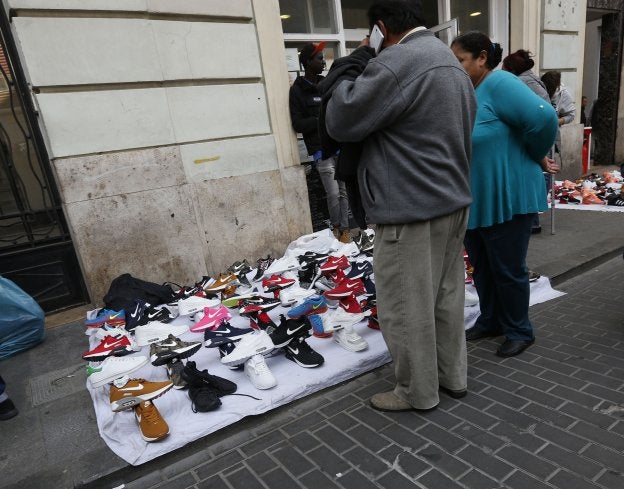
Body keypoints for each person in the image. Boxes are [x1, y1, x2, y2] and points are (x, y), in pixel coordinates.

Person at [324, 0, 476, 412]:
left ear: (379, 28)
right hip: (451, 200)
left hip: (411, 208)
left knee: (406, 307)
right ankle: (452, 377)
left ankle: (417, 391)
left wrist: (359, 59)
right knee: (445, 299)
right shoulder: (446, 58)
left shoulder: (398, 61)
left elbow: (340, 118)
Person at [451, 31, 558, 358]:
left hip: (508, 196)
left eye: (460, 61)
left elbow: (544, 118)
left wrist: (534, 151)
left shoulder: (500, 84)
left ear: (482, 58)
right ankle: (492, 320)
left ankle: (520, 330)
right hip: (478, 199)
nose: (455, 68)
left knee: (508, 269)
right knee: (481, 267)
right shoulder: (471, 90)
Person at [288, 42, 351, 244]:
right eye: (319, 58)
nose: (323, 62)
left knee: (344, 191)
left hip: (339, 146)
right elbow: (298, 123)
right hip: (320, 151)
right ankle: (337, 229)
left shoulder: (327, 85)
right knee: (332, 193)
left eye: (323, 58)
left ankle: (346, 232)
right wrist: (321, 119)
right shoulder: (297, 91)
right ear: (307, 62)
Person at [502, 49, 551, 235]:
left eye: (505, 68)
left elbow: (540, 114)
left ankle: (531, 219)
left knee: (532, 175)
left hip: (531, 137)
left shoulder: (520, 83)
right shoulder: (532, 79)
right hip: (538, 136)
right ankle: (532, 219)